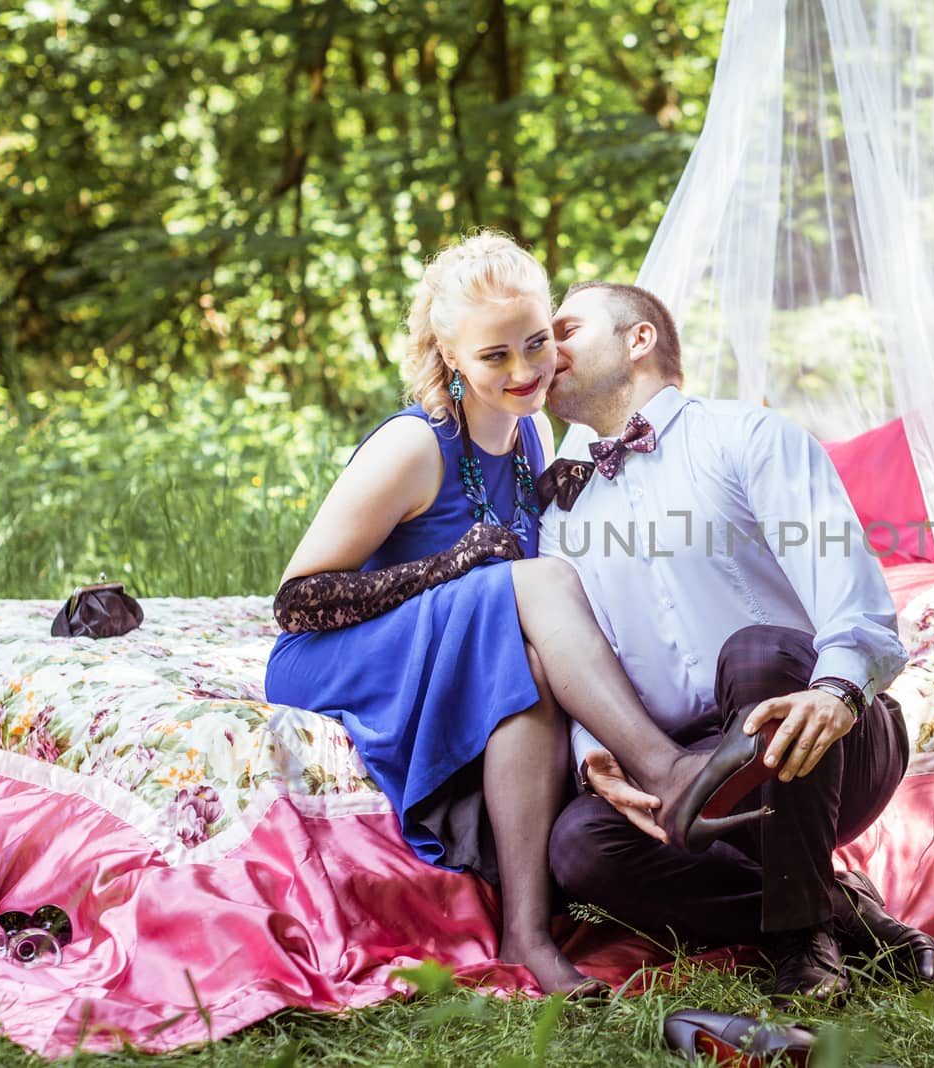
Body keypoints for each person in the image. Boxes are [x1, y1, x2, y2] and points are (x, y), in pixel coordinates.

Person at [263, 233, 732, 997]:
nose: (524, 372)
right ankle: (669, 771)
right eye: (494, 358)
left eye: (537, 343)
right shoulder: (415, 445)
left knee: (537, 664)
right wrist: (452, 567)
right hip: (343, 656)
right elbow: (297, 604)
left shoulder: (534, 435)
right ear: (450, 355)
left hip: (451, 651)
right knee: (538, 583)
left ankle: (525, 931)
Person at [541, 281, 934, 1004]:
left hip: (828, 730)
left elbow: (857, 606)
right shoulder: (562, 511)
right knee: (579, 846)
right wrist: (589, 749)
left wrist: (838, 690)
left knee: (759, 652)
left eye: (566, 328)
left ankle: (802, 943)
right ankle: (841, 909)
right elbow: (579, 655)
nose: (547, 348)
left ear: (639, 340)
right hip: (691, 768)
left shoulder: (751, 436)